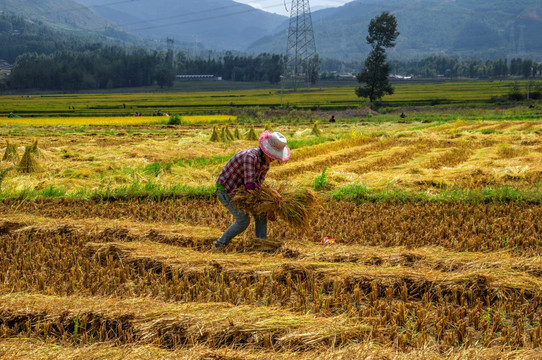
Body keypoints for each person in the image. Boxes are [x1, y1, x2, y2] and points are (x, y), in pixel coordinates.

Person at [214, 130, 291, 250]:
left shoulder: (266, 163)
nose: (274, 159)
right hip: (227, 190)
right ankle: (220, 244)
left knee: (261, 213)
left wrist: (270, 206)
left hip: (241, 191)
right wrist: (272, 192)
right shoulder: (250, 157)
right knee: (243, 221)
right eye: (272, 155)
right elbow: (250, 185)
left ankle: (261, 245)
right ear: (265, 150)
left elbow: (258, 185)